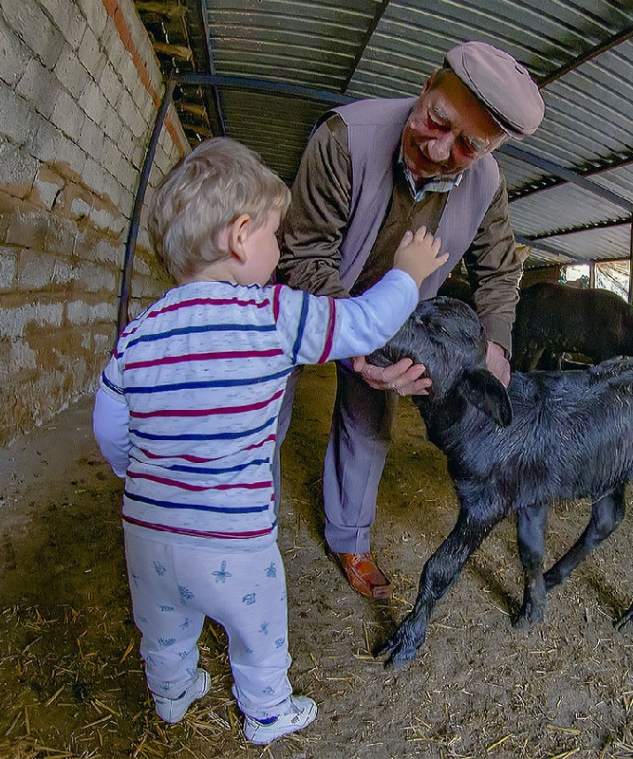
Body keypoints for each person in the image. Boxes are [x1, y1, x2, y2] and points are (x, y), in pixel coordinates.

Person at [91, 137, 446, 744]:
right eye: (275, 236)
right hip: (234, 540)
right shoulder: (273, 314)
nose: (279, 251)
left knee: (164, 629)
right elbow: (361, 323)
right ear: (240, 235)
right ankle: (266, 712)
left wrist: (142, 475)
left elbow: (108, 426)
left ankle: (173, 697)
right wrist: (406, 277)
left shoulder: (139, 333)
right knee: (259, 631)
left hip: (147, 531)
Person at [276, 41, 545, 599]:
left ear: (491, 148)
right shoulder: (343, 138)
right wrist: (355, 345)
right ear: (426, 87)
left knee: (369, 424)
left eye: (469, 145)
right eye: (437, 120)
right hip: (309, 301)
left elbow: (498, 272)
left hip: (396, 320)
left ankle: (349, 538)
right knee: (266, 409)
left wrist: (496, 347)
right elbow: (304, 254)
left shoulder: (487, 184)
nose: (440, 149)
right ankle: (245, 527)